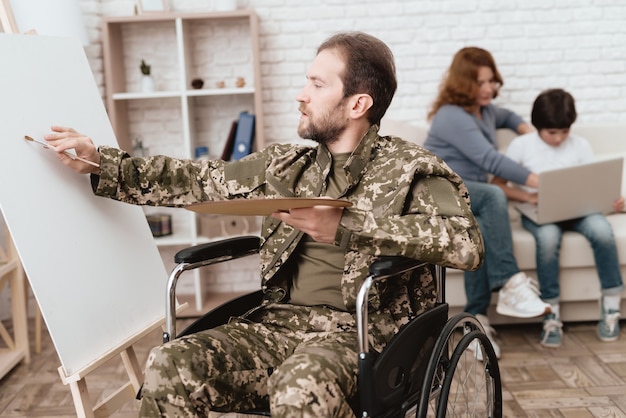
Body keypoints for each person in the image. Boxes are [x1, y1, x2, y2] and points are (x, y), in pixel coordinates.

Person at [44, 32, 484, 418]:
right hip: (278, 325)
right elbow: (200, 180)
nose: (301, 94)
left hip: (365, 333)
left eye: (316, 84)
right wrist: (102, 162)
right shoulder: (285, 166)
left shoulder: (412, 169)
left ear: (358, 103)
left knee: (299, 390)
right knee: (169, 365)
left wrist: (348, 226)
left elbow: (467, 244)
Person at [423, 46, 551, 359]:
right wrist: (540, 181)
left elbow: (506, 116)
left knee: (476, 228)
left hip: (470, 196)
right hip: (440, 193)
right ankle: (508, 282)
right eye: (479, 83)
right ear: (461, 83)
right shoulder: (451, 116)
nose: (488, 89)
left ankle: (476, 320)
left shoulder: (488, 111)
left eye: (491, 81)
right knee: (493, 195)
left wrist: (524, 129)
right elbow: (489, 159)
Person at [492, 88, 624, 347]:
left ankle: (611, 306)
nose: (558, 138)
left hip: (579, 210)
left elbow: (592, 184)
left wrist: (614, 201)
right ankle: (550, 313)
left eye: (564, 132)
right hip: (540, 211)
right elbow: (498, 186)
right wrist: (529, 197)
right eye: (552, 133)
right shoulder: (522, 146)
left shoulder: (580, 145)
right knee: (549, 239)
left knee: (602, 232)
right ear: (538, 126)